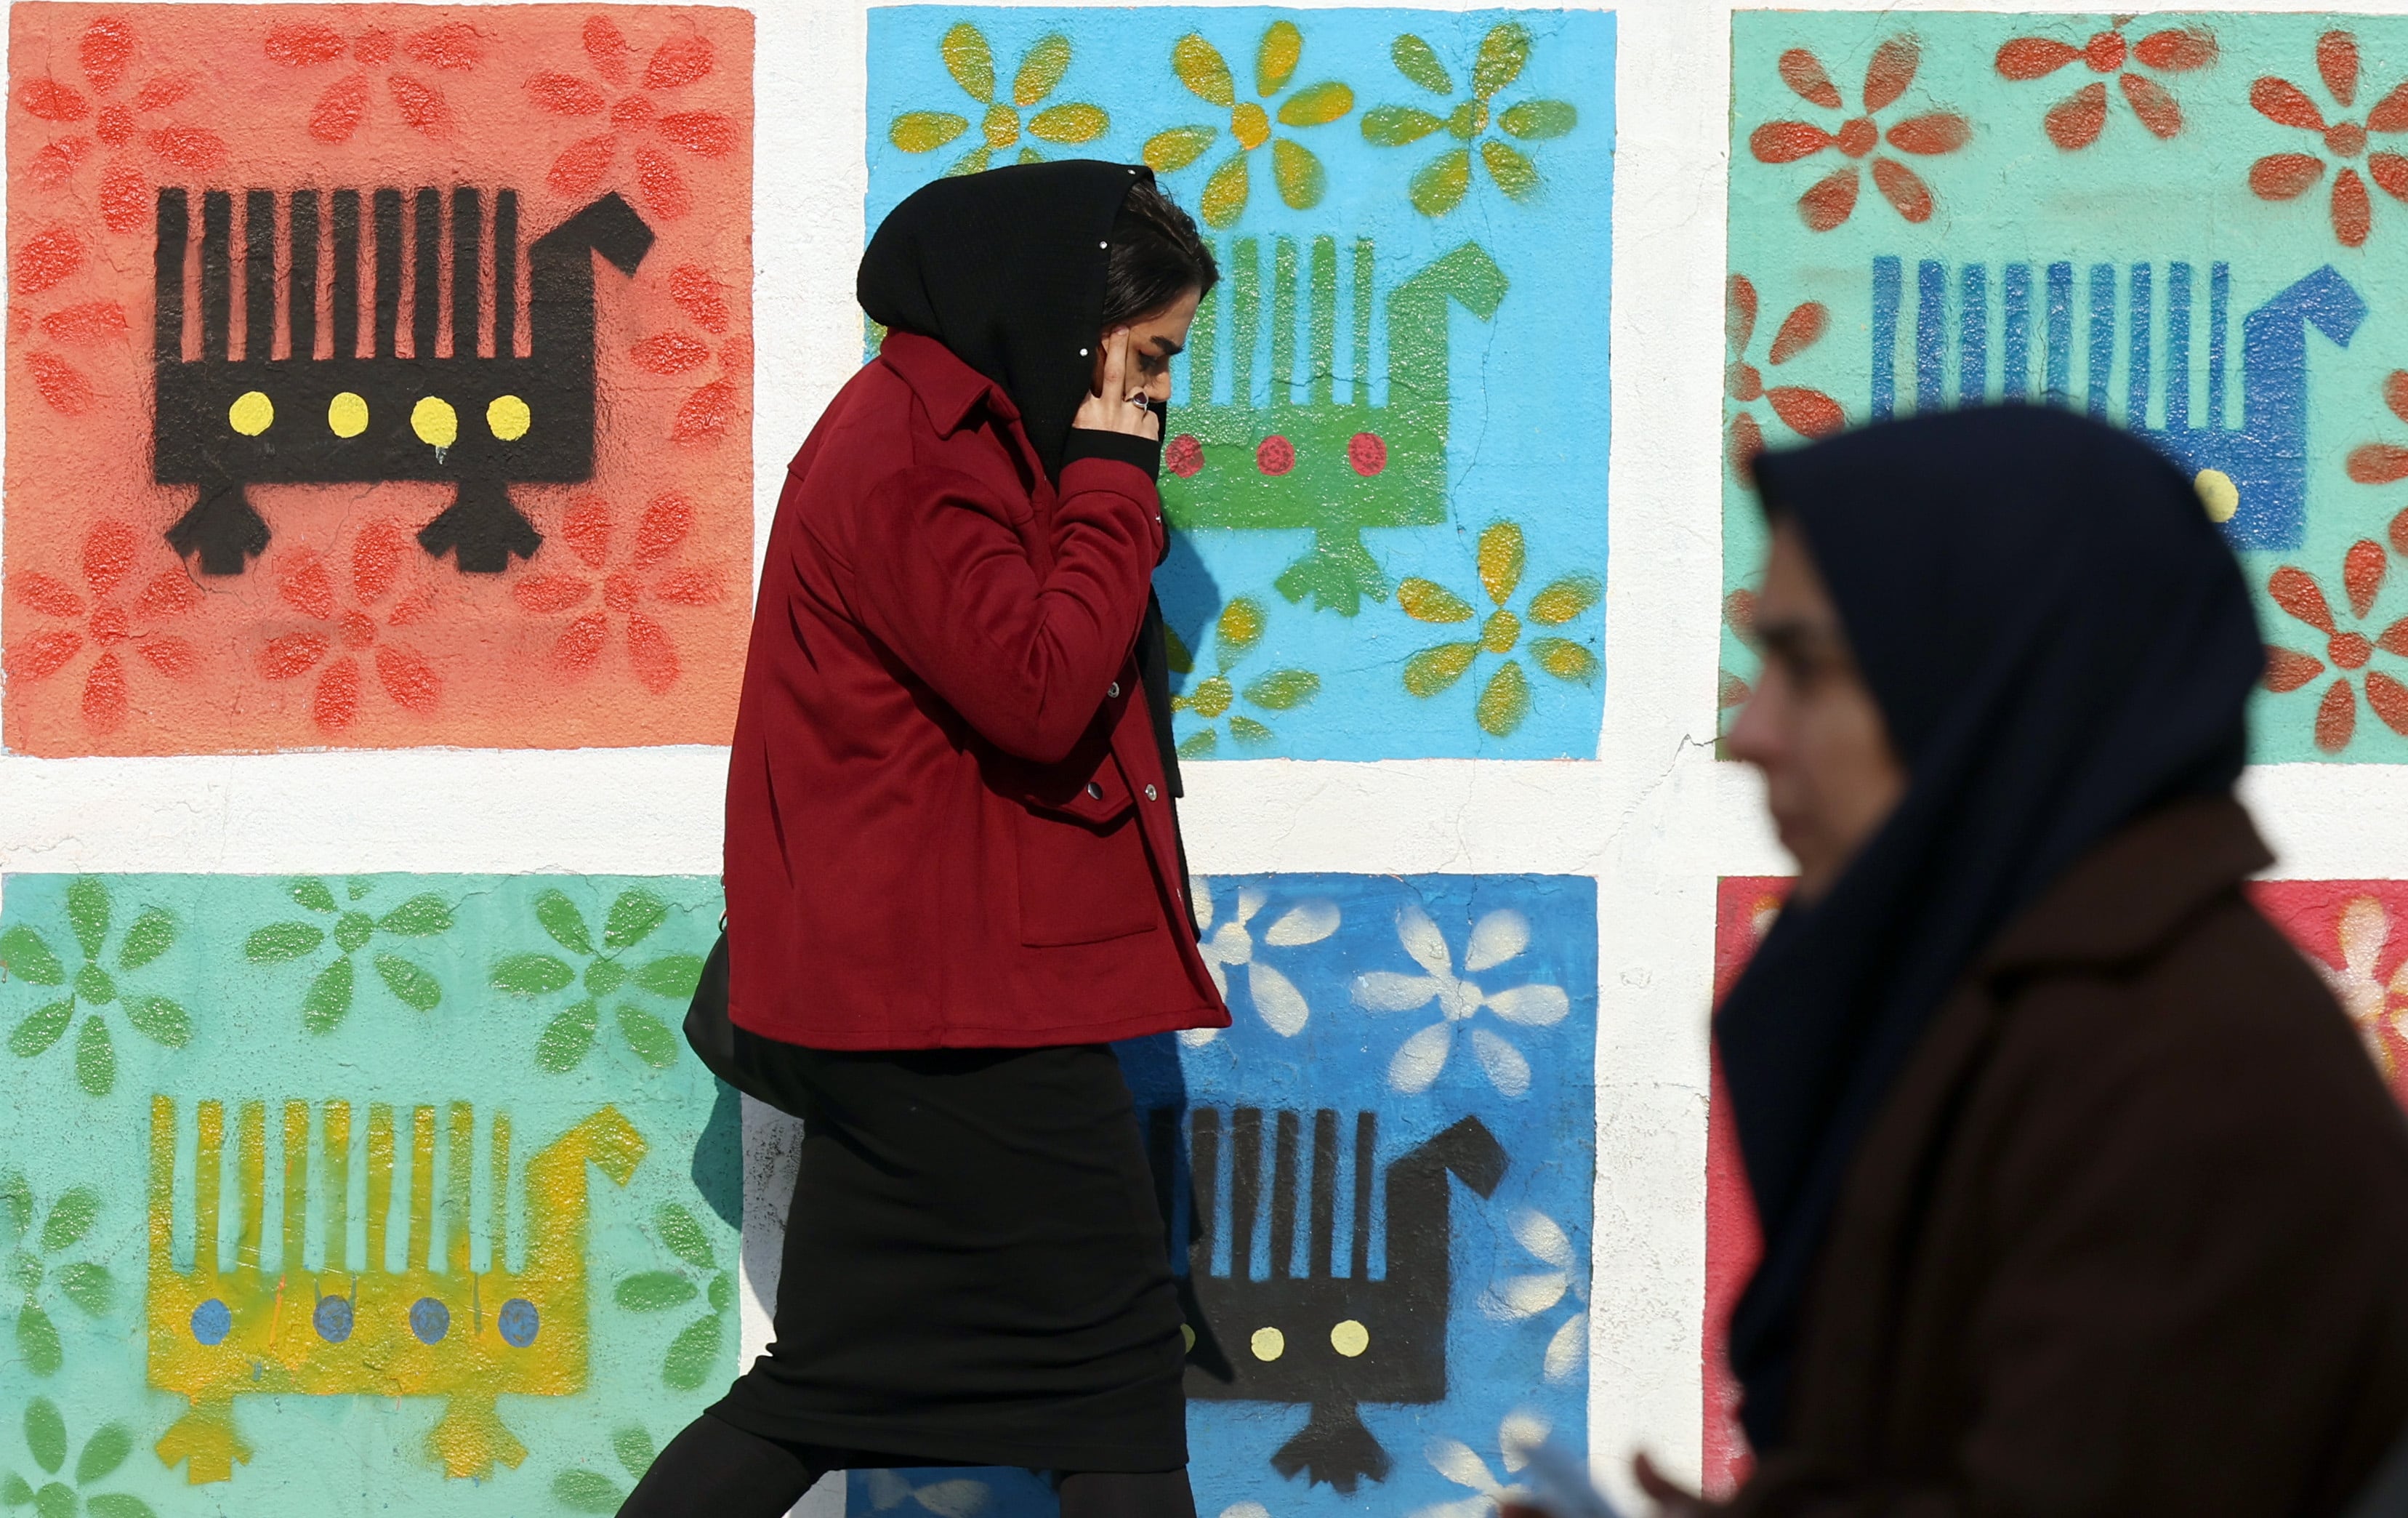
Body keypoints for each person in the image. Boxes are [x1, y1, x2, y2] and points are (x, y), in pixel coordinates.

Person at [1643, 407, 2408, 1515]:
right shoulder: (2014, 1009)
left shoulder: (2187, 1071)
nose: (1752, 732)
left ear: (1984, 682)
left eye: (1805, 669)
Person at [619, 161, 1229, 1518]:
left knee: (829, 1384)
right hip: (954, 998)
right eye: (1144, 359)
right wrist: (1115, 473)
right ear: (1064, 320)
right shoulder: (912, 452)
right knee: (1120, 1384)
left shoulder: (955, 437)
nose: (1153, 397)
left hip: (929, 984)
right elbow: (1037, 687)